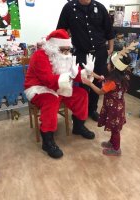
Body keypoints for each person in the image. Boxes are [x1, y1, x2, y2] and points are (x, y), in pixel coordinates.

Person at [24, 29, 95, 159]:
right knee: (51, 101)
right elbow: (48, 81)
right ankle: (47, 140)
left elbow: (75, 73)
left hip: (60, 86)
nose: (67, 53)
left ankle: (78, 126)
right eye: (63, 49)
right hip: (40, 88)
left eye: (69, 49)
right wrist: (71, 76)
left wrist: (87, 72)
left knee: (82, 94)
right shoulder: (40, 56)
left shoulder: (67, 55)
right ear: (53, 47)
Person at [57, 0, 115, 122]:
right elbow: (61, 31)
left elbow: (109, 30)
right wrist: (63, 50)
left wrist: (110, 49)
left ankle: (92, 109)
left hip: (100, 53)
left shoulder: (100, 8)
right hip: (81, 53)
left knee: (99, 81)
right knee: (83, 82)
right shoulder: (69, 8)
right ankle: (81, 113)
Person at [81, 42, 138, 156]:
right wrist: (97, 76)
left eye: (109, 63)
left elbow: (99, 91)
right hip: (119, 107)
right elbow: (106, 81)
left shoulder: (112, 81)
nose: (107, 64)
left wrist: (89, 83)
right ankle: (112, 142)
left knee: (115, 130)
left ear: (113, 67)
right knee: (114, 128)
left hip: (113, 109)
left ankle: (116, 149)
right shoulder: (123, 76)